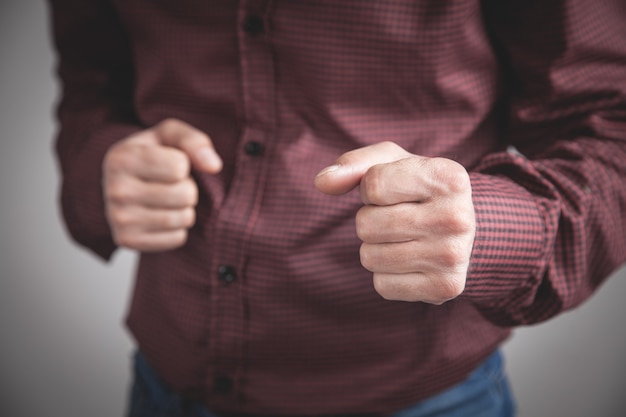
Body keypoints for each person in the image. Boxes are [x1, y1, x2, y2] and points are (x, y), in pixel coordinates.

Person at [47, 0, 626, 416]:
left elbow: (612, 129)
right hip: (163, 385)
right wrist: (101, 164)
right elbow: (88, 86)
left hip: (425, 399)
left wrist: (491, 228)